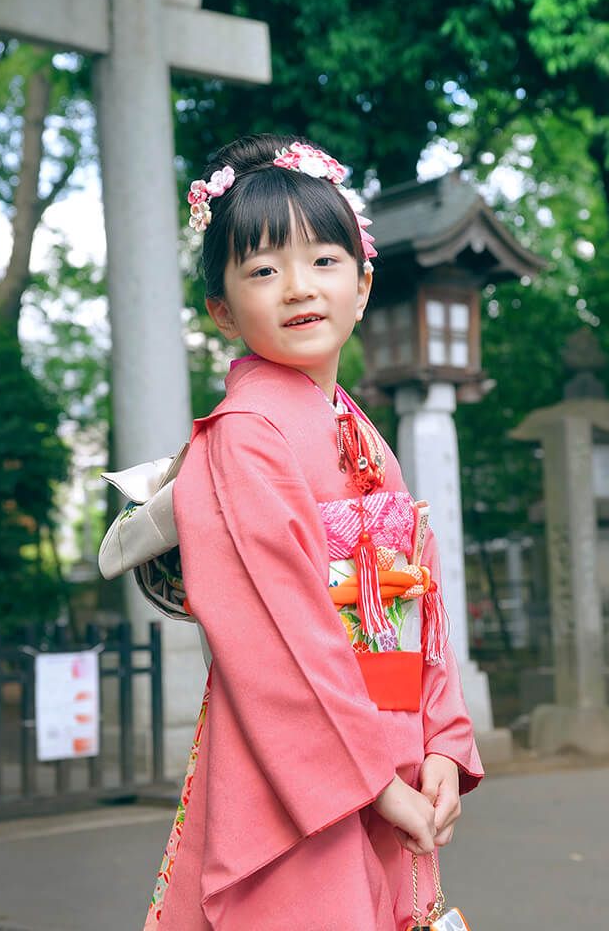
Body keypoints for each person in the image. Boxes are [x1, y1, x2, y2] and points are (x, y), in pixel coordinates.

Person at [143, 134, 483, 931]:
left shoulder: (359, 432)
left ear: (363, 286)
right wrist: (375, 780)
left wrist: (440, 741)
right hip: (302, 769)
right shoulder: (243, 435)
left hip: (389, 750)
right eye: (263, 269)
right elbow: (276, 638)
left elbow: (417, 604)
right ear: (222, 309)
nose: (298, 286)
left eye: (324, 261)